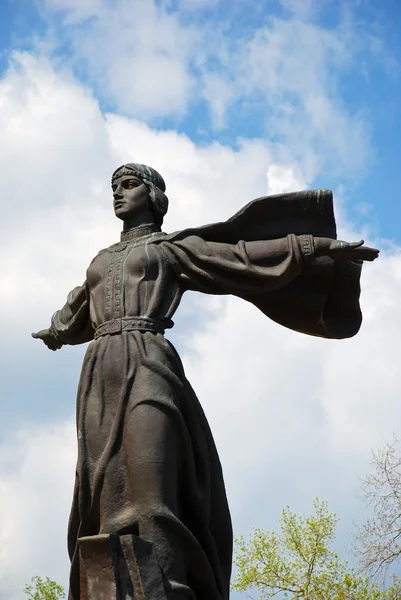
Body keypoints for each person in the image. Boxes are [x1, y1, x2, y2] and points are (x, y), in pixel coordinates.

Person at [32, 163, 379, 599]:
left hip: (148, 360)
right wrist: (55, 331)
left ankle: (169, 582)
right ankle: (113, 579)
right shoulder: (100, 260)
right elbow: (74, 312)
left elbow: (240, 258)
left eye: (129, 185)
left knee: (150, 485)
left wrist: (315, 246)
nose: (118, 193)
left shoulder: (171, 248)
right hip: (99, 374)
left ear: (155, 195)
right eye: (114, 187)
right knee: (103, 492)